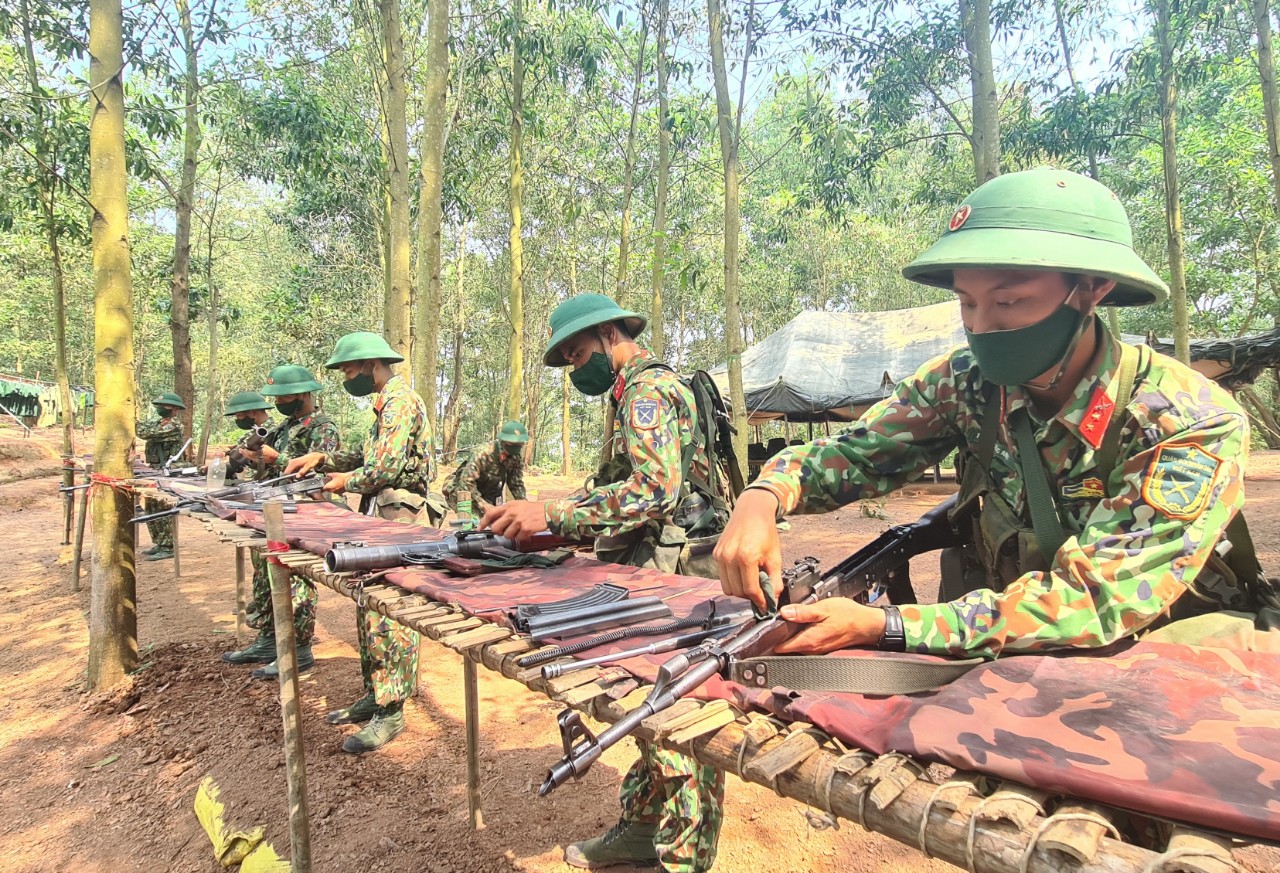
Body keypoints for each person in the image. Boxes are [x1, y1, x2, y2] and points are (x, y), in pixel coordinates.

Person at [715, 166, 1279, 663]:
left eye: (1009, 301)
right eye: (966, 302)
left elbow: (1099, 600)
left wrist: (886, 626)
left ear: (1092, 289)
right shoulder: (965, 383)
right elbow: (853, 455)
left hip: (1161, 672)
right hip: (1011, 658)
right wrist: (764, 495)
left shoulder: (1186, 419)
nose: (982, 324)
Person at [482, 294, 724, 872]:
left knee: (678, 710)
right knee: (641, 700)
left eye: (578, 351)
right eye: (566, 357)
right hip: (649, 565)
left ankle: (682, 857)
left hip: (678, 573)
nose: (573, 365)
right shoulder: (627, 394)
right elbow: (621, 490)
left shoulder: (648, 392)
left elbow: (656, 492)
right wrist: (554, 522)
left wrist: (556, 516)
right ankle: (642, 828)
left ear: (610, 333)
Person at [285, 332, 441, 753]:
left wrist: (342, 481)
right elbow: (368, 454)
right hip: (382, 510)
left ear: (372, 364)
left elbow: (384, 467)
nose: (345, 377)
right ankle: (376, 693)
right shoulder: (383, 405)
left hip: (400, 515)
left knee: (389, 611)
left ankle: (391, 710)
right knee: (367, 603)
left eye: (349, 369)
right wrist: (322, 459)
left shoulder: (400, 401)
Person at [222, 366, 339, 678]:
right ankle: (269, 639)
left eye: (283, 396)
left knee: (294, 577)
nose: (277, 402)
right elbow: (261, 466)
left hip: (304, 514)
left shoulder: (323, 428)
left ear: (302, 394)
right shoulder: (282, 428)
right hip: (272, 511)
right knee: (265, 572)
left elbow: (320, 476)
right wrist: (247, 455)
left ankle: (299, 647)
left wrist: (278, 460)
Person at [442, 420, 530, 519]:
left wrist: (525, 505)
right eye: (511, 444)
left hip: (488, 497)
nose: (515, 448)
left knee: (496, 527)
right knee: (475, 529)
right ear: (503, 441)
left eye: (518, 444)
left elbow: (516, 484)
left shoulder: (515, 457)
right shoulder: (484, 453)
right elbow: (465, 482)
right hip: (465, 495)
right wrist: (484, 505)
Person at [136, 391, 187, 561]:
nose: (160, 409)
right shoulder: (161, 422)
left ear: (174, 409)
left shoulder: (174, 425)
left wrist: (129, 421)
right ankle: (159, 542)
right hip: (156, 469)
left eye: (163, 406)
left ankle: (168, 546)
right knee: (151, 506)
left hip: (169, 471)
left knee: (163, 508)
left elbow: (144, 431)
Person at [221, 391, 275, 481]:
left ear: (252, 413)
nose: (237, 420)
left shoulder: (271, 433)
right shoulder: (254, 433)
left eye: (239, 416)